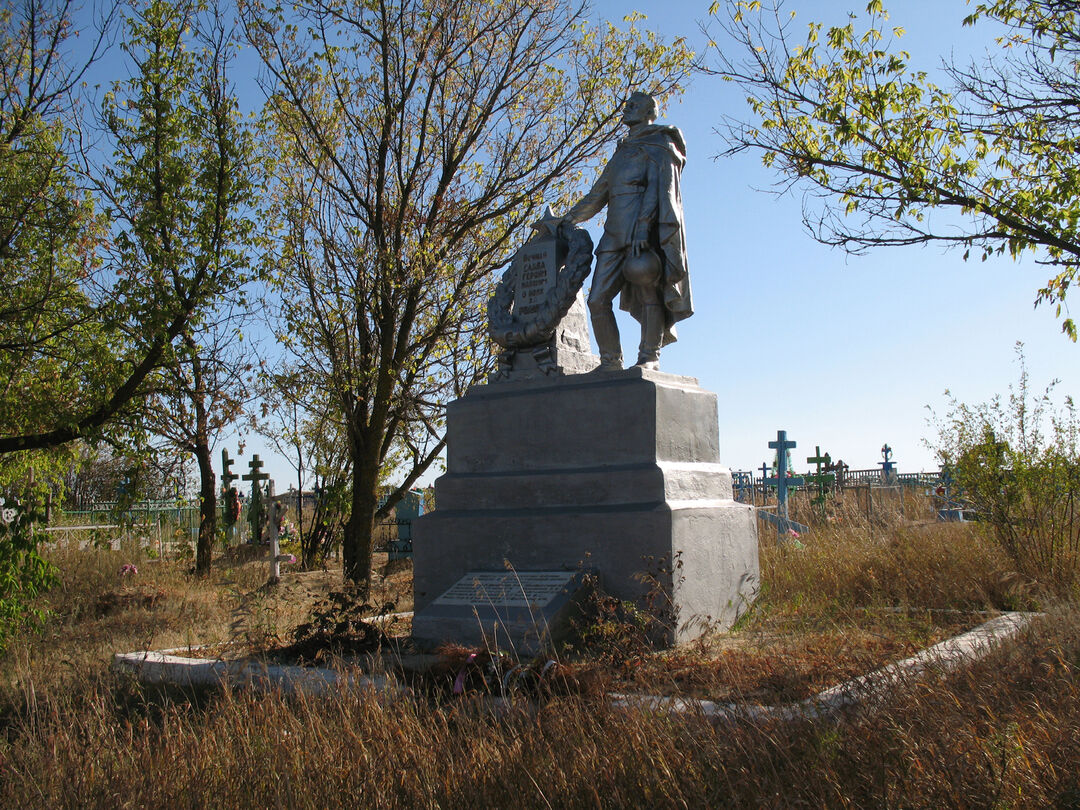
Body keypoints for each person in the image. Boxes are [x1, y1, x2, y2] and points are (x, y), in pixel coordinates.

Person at [561, 91, 692, 370]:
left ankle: (649, 356)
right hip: (613, 236)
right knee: (597, 300)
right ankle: (611, 360)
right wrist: (566, 220)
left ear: (649, 112)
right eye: (627, 104)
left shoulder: (660, 144)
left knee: (649, 296)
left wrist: (644, 226)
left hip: (642, 235)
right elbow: (598, 195)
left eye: (634, 105)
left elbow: (661, 189)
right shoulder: (622, 151)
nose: (626, 108)